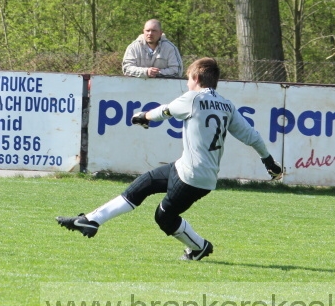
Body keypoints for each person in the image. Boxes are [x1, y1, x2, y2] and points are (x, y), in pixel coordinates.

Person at [57, 57, 283, 261]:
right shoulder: (227, 105)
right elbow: (252, 136)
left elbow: (165, 111)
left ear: (196, 78)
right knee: (142, 185)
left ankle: (199, 247)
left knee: (164, 216)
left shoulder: (193, 98)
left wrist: (143, 116)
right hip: (194, 171)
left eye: (188, 79)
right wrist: (269, 162)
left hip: (192, 177)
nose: (187, 83)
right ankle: (91, 220)